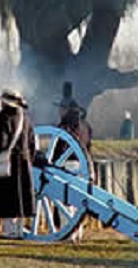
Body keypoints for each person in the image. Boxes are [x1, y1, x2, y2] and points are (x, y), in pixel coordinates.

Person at [0, 89, 36, 239]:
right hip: (24, 160)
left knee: (7, 197)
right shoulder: (25, 118)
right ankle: (20, 231)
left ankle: (9, 232)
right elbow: (32, 142)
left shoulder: (4, 117)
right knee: (21, 197)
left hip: (10, 162)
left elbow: (2, 142)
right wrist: (29, 159)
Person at [52, 96, 93, 244]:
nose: (59, 111)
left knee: (65, 202)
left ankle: (67, 233)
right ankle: (78, 233)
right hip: (82, 166)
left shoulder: (65, 126)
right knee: (77, 203)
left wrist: (51, 163)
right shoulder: (85, 125)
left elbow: (61, 148)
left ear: (66, 110)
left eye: (61, 108)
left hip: (67, 165)